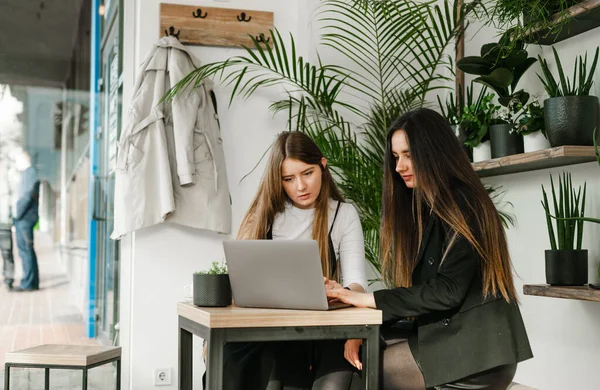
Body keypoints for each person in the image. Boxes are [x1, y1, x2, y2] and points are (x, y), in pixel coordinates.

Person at [326, 108, 533, 390]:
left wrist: (369, 300)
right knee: (344, 358)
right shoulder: (430, 206)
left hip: (479, 355)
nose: (399, 167)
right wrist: (359, 320)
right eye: (396, 157)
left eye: (409, 155)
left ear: (434, 152)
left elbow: (446, 291)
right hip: (454, 337)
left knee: (359, 373)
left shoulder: (465, 205)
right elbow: (430, 297)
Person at [223, 131, 368, 390]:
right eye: (288, 179)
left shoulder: (343, 215)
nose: (300, 186)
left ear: (322, 166)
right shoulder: (264, 216)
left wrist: (352, 323)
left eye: (307, 173)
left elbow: (357, 285)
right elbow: (241, 286)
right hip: (274, 336)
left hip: (327, 333)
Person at [12, 150, 40, 292]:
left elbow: (27, 196)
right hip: (26, 217)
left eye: (17, 160)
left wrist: (17, 213)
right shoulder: (29, 174)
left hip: (25, 218)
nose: (15, 164)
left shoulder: (29, 173)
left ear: (24, 160)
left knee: (25, 251)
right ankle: (31, 282)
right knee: (27, 250)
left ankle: (28, 283)